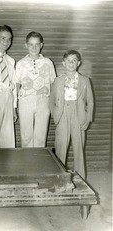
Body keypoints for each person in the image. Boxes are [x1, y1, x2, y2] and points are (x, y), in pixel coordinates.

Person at [50, 50, 94, 179]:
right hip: (62, 114)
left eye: (74, 60)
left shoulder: (85, 80)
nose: (71, 63)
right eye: (68, 60)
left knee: (79, 147)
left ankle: (81, 178)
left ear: (78, 63)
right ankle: (60, 177)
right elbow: (51, 100)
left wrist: (88, 118)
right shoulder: (57, 81)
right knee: (60, 147)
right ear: (63, 63)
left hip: (78, 115)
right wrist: (55, 116)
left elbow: (90, 101)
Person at [16, 31, 56, 147]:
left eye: (37, 44)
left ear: (41, 45)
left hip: (43, 100)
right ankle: (27, 162)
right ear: (26, 45)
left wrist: (52, 103)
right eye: (31, 44)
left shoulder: (48, 63)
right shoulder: (21, 63)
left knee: (40, 135)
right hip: (25, 101)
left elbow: (53, 83)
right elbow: (17, 84)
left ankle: (38, 163)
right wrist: (16, 103)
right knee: (26, 135)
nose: (34, 47)